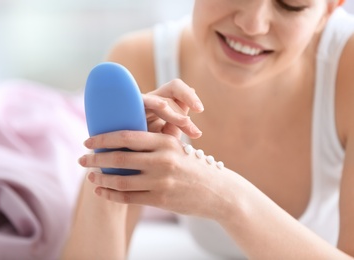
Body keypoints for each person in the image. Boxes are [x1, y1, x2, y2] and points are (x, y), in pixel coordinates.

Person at [62, 0, 354, 259]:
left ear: (329, 9)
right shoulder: (139, 60)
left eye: (290, 5)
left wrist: (224, 196)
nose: (252, 25)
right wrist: (113, 163)